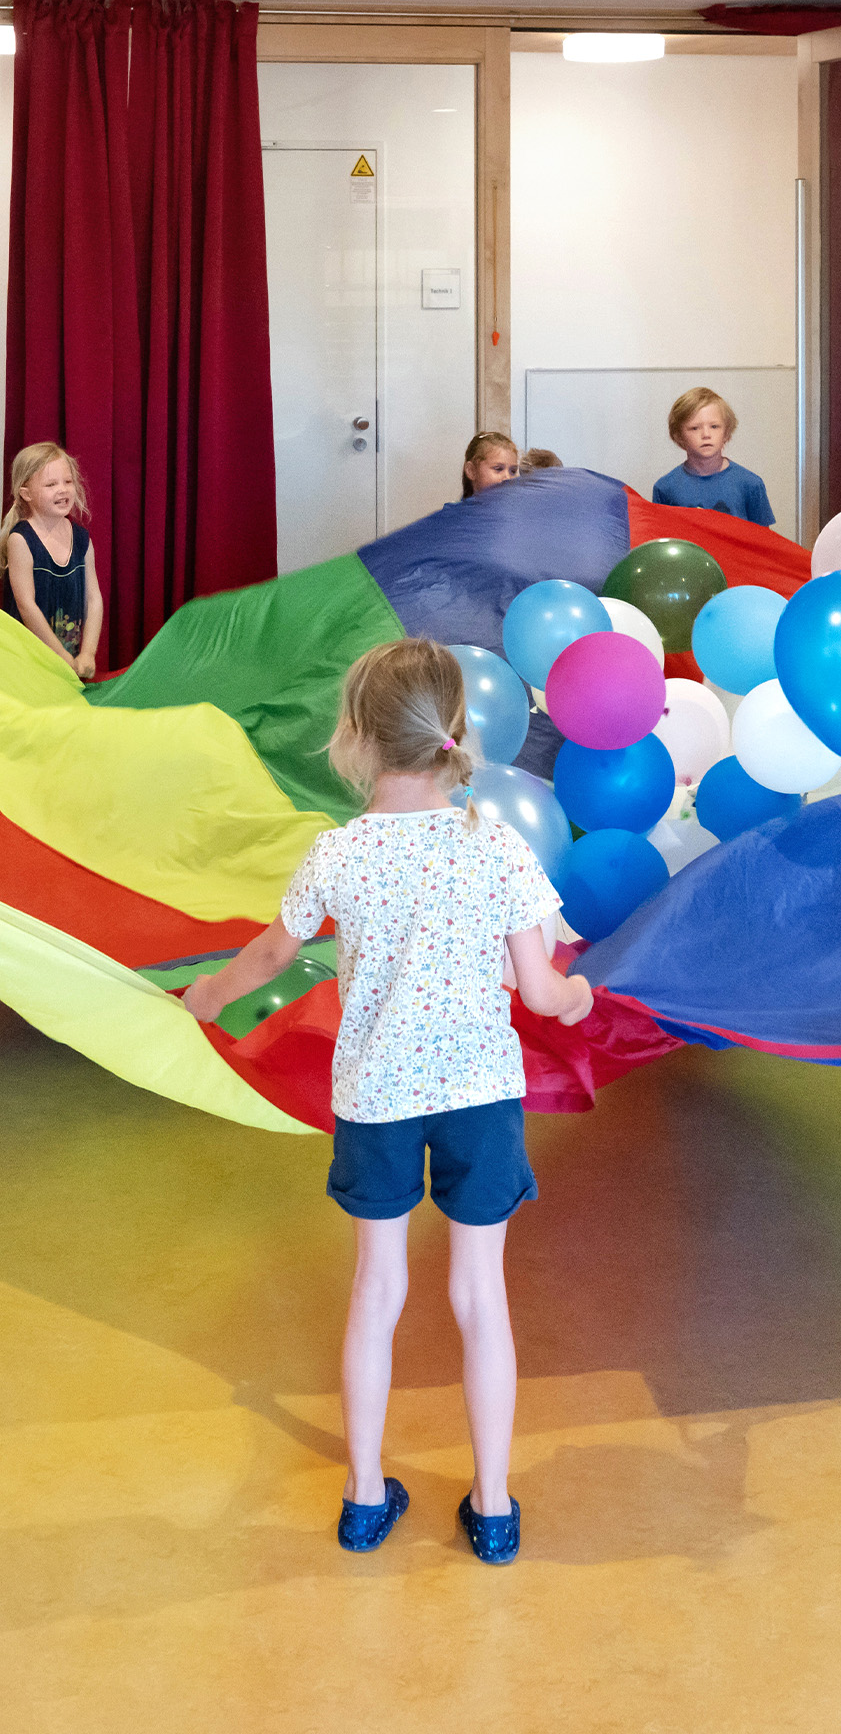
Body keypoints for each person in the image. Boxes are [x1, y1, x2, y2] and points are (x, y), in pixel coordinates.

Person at [181, 639, 593, 1562]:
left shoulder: (340, 853)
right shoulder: (495, 843)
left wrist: (203, 998)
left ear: (356, 737)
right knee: (480, 1294)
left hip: (378, 1098)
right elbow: (540, 991)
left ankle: (366, 1499)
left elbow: (267, 960)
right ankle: (492, 1509)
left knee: (378, 1289)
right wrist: (581, 994)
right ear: (456, 733)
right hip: (479, 1096)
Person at [2, 442, 104, 680]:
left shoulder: (81, 539)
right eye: (51, 484)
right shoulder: (21, 540)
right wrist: (64, 659)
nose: (63, 490)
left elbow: (93, 598)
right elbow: (27, 607)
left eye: (68, 482)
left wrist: (87, 653)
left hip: (69, 662)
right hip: (29, 660)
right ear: (25, 493)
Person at [651, 387, 775, 525]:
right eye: (694, 428)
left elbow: (763, 542)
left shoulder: (751, 485)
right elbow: (663, 539)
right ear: (679, 436)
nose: (706, 435)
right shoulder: (665, 488)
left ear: (726, 432)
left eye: (714, 426)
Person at [462, 431, 520, 497]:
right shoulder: (455, 507)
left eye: (513, 471)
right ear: (471, 471)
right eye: (498, 469)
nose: (508, 477)